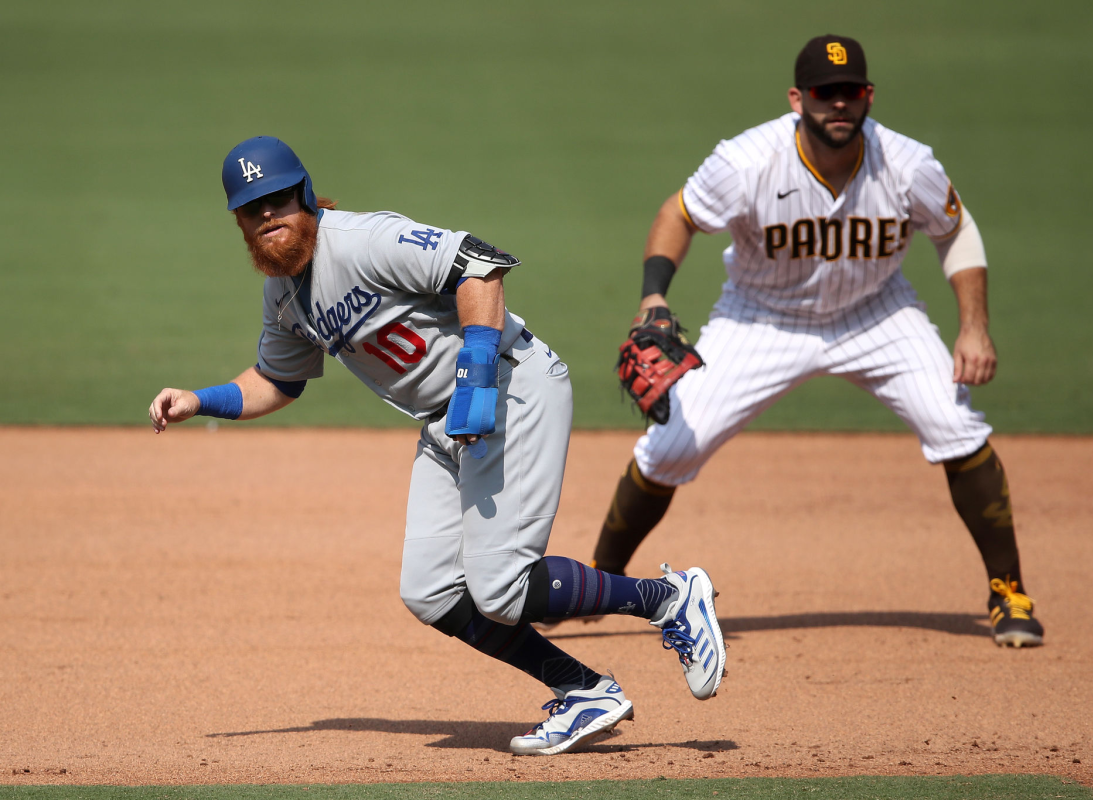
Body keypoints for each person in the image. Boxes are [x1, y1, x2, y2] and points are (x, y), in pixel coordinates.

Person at [147, 136, 727, 756]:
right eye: (252, 208)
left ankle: (669, 599)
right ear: (239, 223)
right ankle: (584, 690)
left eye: (279, 198)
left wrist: (476, 373)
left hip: (510, 388)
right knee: (431, 591)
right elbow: (277, 381)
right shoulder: (284, 296)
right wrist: (198, 399)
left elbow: (479, 264)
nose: (268, 215)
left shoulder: (363, 240)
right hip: (446, 421)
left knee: (501, 587)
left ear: (305, 194)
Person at [587, 36, 1043, 648]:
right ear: (798, 98)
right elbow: (679, 215)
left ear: (868, 96)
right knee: (668, 448)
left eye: (850, 92)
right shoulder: (748, 160)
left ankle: (1008, 592)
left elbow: (955, 232)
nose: (839, 105)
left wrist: (974, 325)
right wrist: (654, 297)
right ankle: (600, 583)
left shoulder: (907, 164)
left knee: (954, 424)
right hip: (760, 318)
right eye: (825, 94)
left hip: (878, 315)